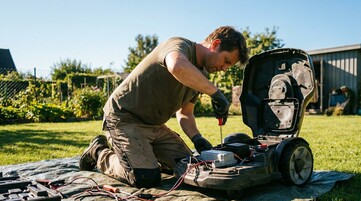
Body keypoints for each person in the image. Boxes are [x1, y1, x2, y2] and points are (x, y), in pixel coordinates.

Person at [79, 26, 249, 188]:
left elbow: (185, 114)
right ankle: (99, 151)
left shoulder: (201, 75)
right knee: (145, 177)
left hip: (155, 126)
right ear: (216, 44)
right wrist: (216, 93)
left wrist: (197, 138)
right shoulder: (179, 45)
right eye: (226, 60)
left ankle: (143, 153)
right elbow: (177, 66)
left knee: (190, 167)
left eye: (229, 66)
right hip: (124, 118)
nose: (225, 68)